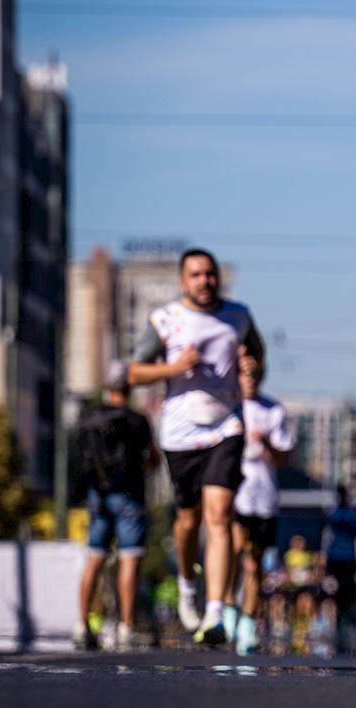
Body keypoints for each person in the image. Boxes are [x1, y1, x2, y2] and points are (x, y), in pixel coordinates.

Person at [129, 247, 264, 645]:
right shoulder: (167, 319)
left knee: (219, 516)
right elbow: (134, 371)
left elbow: (256, 355)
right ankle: (188, 585)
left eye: (210, 274)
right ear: (182, 281)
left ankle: (215, 612)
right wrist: (173, 368)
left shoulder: (238, 316)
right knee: (188, 521)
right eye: (196, 275)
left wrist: (253, 368)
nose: (205, 281)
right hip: (180, 433)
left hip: (226, 426)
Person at [73, 360, 159, 651]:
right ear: (129, 385)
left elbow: (79, 456)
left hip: (97, 495)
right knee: (129, 560)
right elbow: (152, 458)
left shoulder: (89, 418)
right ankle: (126, 626)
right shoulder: (137, 420)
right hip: (129, 495)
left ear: (107, 385)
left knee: (94, 559)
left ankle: (82, 625)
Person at [230, 361, 294, 655]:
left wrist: (266, 441)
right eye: (245, 375)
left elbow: (284, 458)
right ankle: (228, 606)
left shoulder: (273, 411)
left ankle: (247, 621)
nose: (250, 381)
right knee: (232, 552)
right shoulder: (227, 406)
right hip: (235, 494)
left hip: (263, 498)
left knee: (254, 562)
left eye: (255, 375)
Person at [321, 485, 356, 654]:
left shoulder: (339, 514)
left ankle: (346, 621)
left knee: (346, 592)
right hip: (340, 558)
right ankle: (341, 621)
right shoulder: (344, 514)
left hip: (344, 558)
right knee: (340, 592)